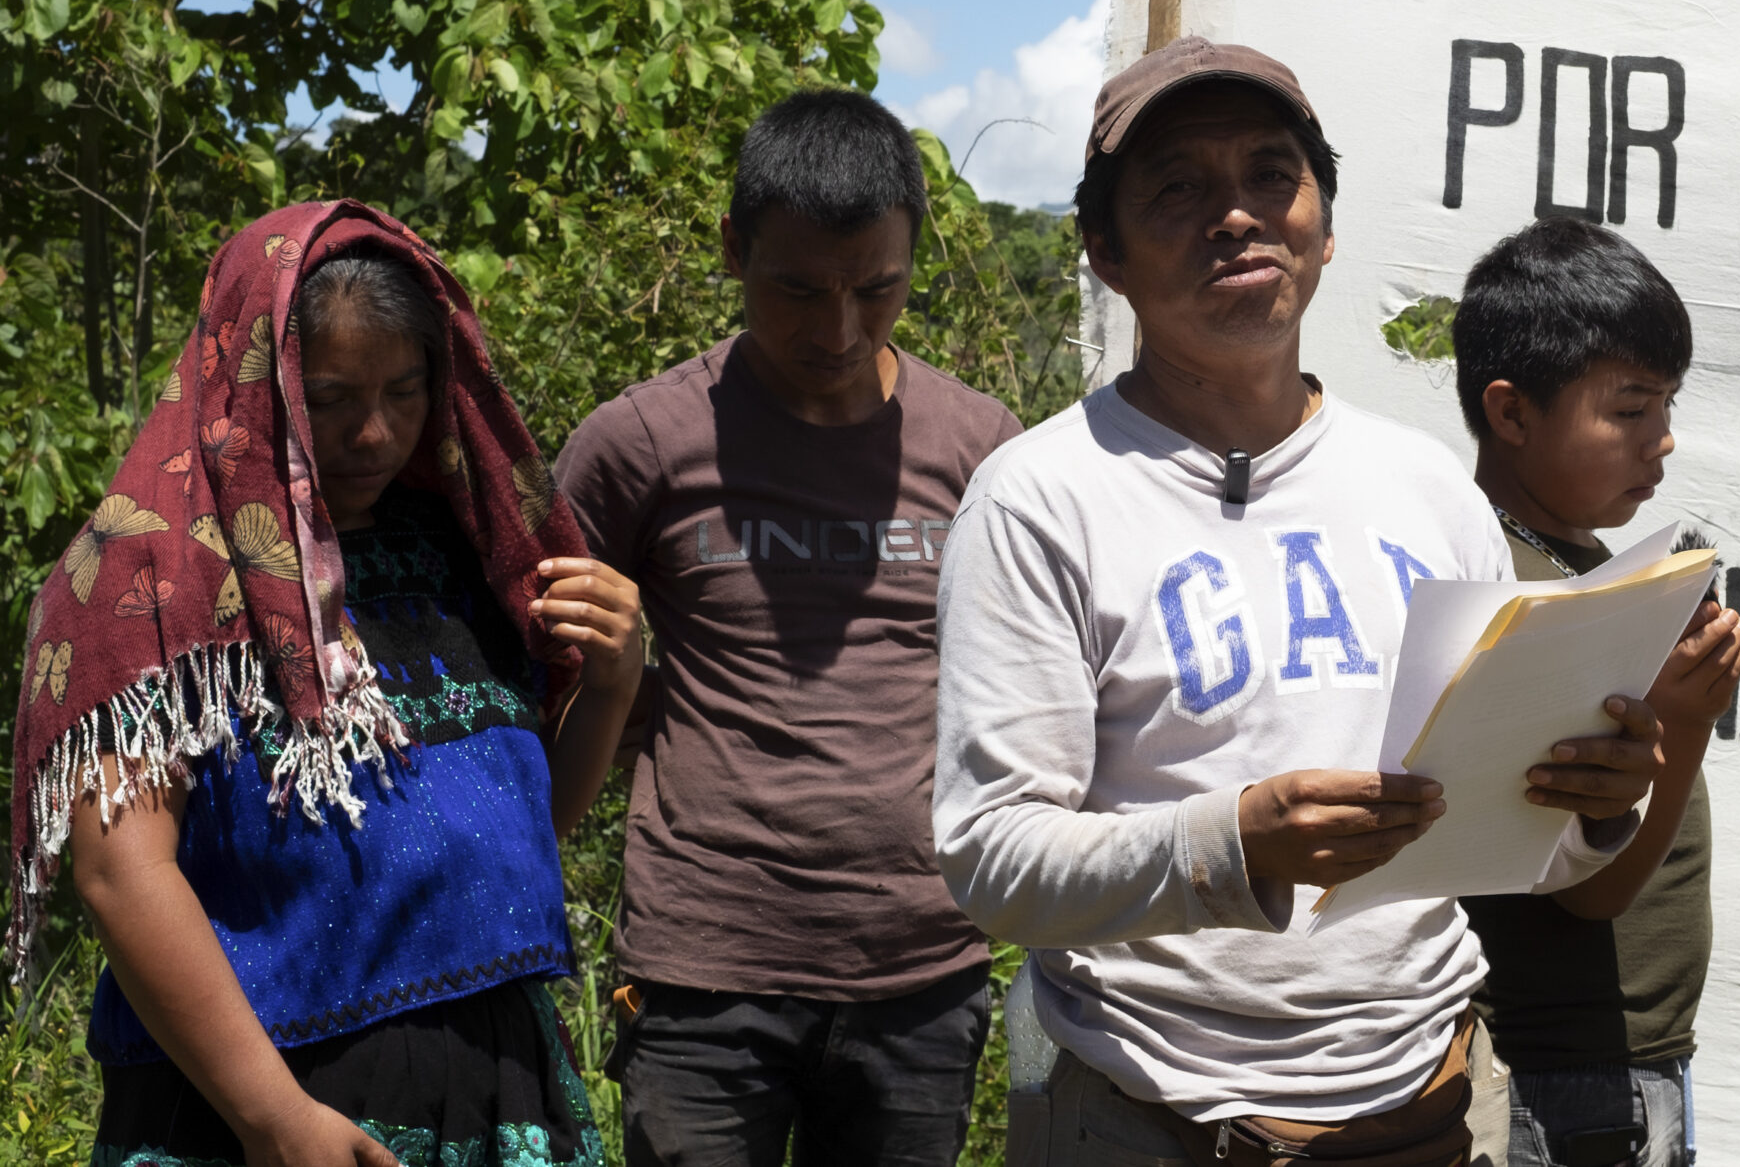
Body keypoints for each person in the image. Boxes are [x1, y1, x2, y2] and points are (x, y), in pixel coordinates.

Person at [933, 36, 1672, 1167]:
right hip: (1151, 1119)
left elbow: (1521, 847)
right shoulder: (1040, 497)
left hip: (1428, 1110)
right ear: (1103, 250)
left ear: (1323, 226)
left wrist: (1595, 805)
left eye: (1271, 175)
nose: (1235, 214)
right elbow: (994, 863)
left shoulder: (1427, 489)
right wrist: (1235, 843)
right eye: (1178, 187)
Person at [8, 200, 642, 1167]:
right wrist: (275, 1119)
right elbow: (117, 868)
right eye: (333, 396)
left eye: (406, 390)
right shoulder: (149, 581)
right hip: (254, 1111)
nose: (376, 432)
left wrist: (609, 683)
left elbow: (528, 824)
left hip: (498, 1088)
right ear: (254, 384)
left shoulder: (461, 556)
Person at [554, 88, 1023, 1167]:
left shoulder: (982, 449)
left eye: (878, 289)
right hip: (704, 969)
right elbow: (556, 675)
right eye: (797, 290)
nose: (839, 330)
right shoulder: (639, 443)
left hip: (921, 966)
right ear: (732, 250)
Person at [1451, 219, 1740, 1167]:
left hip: (1620, 1060)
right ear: (1512, 413)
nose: (1663, 439)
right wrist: (1689, 721)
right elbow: (1597, 890)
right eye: (1629, 409)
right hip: (1558, 1077)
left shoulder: (1572, 569)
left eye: (1667, 403)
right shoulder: (1519, 598)